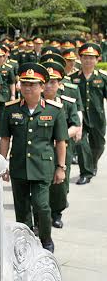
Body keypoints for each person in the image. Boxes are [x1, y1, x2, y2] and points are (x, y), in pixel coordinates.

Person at [0, 63, 68, 253]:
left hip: (43, 167)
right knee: (21, 209)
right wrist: (2, 163)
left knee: (42, 205)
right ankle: (26, 241)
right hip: (19, 166)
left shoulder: (54, 110)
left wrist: (61, 167)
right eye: (24, 84)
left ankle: (46, 239)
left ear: (42, 86)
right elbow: (5, 138)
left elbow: (61, 141)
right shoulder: (10, 109)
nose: (28, 88)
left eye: (33, 84)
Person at [40, 59, 82, 229]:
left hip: (62, 149)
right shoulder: (34, 102)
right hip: (41, 149)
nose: (49, 86)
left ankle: (57, 213)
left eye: (53, 82)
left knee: (59, 185)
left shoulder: (67, 103)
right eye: (46, 82)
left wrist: (61, 135)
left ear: (59, 84)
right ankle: (41, 217)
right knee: (40, 183)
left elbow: (76, 125)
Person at [72, 43, 107, 185]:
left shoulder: (103, 78)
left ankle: (93, 164)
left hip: (97, 118)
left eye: (92, 58)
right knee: (81, 144)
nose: (88, 60)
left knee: (98, 145)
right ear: (80, 58)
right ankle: (85, 173)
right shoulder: (73, 78)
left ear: (97, 59)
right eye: (85, 57)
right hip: (79, 118)